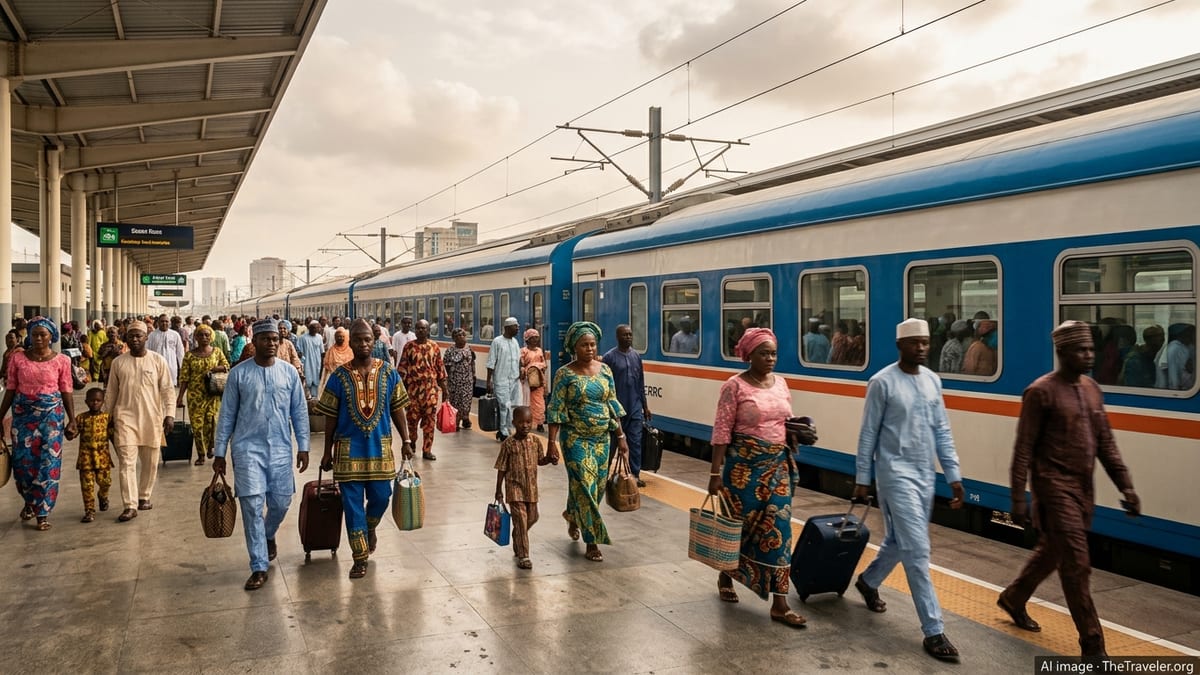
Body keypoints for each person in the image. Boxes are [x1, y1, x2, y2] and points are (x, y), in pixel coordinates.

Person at [999, 320, 1140, 658]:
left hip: (1082, 488)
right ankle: (1093, 645)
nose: (1089, 355)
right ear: (1062, 352)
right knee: (1077, 563)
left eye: (1091, 349)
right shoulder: (1040, 392)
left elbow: (1106, 442)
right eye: (1081, 349)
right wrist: (1018, 497)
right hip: (1053, 489)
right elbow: (1023, 449)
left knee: (1053, 551)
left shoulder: (1092, 389)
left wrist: (1126, 485)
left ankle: (1014, 597)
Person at [852, 318, 965, 662]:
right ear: (900, 345)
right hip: (894, 474)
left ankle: (869, 582)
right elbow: (868, 433)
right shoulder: (882, 382)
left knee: (898, 542)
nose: (922, 348)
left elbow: (942, 430)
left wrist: (954, 475)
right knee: (917, 549)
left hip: (924, 474)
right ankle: (933, 630)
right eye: (915, 343)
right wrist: (861, 477)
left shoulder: (933, 381)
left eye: (926, 343)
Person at [707, 327, 815, 628]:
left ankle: (781, 603)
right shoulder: (734, 387)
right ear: (749, 355)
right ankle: (726, 574)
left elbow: (784, 419)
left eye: (773, 353)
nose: (770, 358)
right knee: (739, 529)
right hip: (743, 470)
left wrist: (797, 432)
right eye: (764, 353)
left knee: (779, 531)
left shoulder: (781, 383)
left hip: (777, 466)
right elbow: (721, 431)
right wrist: (715, 473)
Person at [213, 318, 311, 591]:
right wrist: (219, 452)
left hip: (280, 448)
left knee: (281, 502)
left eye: (275, 340)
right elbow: (227, 416)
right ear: (253, 342)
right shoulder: (238, 374)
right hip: (246, 449)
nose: (271, 344)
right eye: (265, 339)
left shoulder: (289, 373)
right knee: (252, 506)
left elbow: (299, 412)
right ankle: (258, 566)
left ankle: (268, 534)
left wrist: (303, 446)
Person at [315, 319, 414, 579]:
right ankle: (359, 559)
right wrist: (327, 451)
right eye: (358, 339)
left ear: (375, 340)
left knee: (382, 497)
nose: (363, 344)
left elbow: (397, 409)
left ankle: (371, 527)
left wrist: (405, 440)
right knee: (352, 507)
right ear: (351, 342)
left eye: (368, 339)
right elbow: (330, 417)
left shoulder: (389, 373)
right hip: (348, 453)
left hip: (381, 451)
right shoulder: (339, 376)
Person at [544, 322, 629, 563]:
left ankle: (573, 515)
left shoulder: (605, 371)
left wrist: (621, 437)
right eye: (584, 345)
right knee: (584, 484)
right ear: (574, 347)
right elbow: (556, 410)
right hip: (575, 439)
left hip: (603, 439)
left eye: (592, 344)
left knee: (597, 487)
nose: (590, 349)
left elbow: (612, 404)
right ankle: (592, 541)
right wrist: (552, 443)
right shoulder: (564, 374)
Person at [0, 317, 78, 531]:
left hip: (51, 418)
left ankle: (42, 512)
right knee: (23, 464)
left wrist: (72, 419)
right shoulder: (18, 359)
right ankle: (28, 501)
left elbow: (66, 390)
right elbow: (11, 388)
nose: (38, 339)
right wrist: (0, 416)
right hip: (23, 416)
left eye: (43, 335)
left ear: (51, 336)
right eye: (34, 335)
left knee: (48, 464)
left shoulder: (62, 360)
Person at [103, 320, 176, 522]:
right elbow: (111, 393)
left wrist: (169, 414)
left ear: (146, 338)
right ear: (126, 338)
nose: (135, 339)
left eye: (139, 335)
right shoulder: (119, 362)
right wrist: (106, 418)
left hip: (152, 418)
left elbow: (168, 390)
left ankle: (144, 496)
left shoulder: (158, 361)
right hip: (124, 418)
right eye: (131, 335)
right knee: (126, 462)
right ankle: (130, 504)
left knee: (150, 462)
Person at [494, 406, 545, 570]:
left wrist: (550, 459)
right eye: (521, 422)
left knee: (532, 517)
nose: (525, 425)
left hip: (531, 489)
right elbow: (502, 468)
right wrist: (498, 489)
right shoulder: (508, 444)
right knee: (522, 522)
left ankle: (517, 534)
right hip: (514, 489)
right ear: (514, 422)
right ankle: (524, 555)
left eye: (528, 422)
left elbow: (541, 460)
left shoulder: (536, 441)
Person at [602, 324, 651, 486]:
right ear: (617, 337)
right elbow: (605, 386)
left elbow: (640, 382)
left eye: (630, 334)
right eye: (625, 335)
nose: (628, 337)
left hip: (635, 406)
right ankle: (604, 475)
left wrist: (645, 406)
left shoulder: (636, 356)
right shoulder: (609, 358)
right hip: (616, 409)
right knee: (613, 444)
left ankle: (634, 475)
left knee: (635, 442)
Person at [176, 324, 230, 465]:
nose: (204, 337)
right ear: (196, 337)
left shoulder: (217, 352)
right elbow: (184, 378)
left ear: (211, 336)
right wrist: (180, 397)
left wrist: (213, 369)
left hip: (212, 394)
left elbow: (226, 366)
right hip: (195, 396)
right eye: (201, 335)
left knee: (212, 422)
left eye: (207, 335)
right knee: (197, 425)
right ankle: (200, 453)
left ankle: (211, 447)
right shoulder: (189, 356)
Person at [398, 319, 447, 461]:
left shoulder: (434, 347)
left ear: (428, 330)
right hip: (413, 393)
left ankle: (427, 450)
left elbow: (440, 369)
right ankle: (412, 442)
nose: (421, 330)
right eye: (418, 328)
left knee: (430, 423)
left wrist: (445, 390)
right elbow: (402, 369)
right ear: (415, 330)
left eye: (423, 328)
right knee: (412, 422)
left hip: (430, 393)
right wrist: (401, 390)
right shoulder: (409, 347)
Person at [74, 387, 113, 523]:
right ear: (86, 402)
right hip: (86, 459)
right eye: (92, 401)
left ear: (102, 402)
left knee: (105, 482)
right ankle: (89, 510)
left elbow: (114, 436)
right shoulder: (81, 418)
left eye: (98, 401)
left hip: (103, 458)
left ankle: (103, 496)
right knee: (87, 486)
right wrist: (68, 430)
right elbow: (72, 434)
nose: (95, 403)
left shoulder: (107, 418)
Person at [487, 317, 522, 441]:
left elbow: (519, 360)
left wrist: (521, 371)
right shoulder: (497, 342)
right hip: (501, 379)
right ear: (507, 328)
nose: (518, 328)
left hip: (514, 379)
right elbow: (491, 363)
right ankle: (503, 431)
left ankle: (507, 428)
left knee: (511, 405)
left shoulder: (515, 342)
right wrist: (489, 381)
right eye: (515, 326)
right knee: (503, 406)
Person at [443, 328, 476, 430]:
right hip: (455, 381)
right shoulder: (450, 351)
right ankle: (456, 422)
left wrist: (474, 374)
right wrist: (449, 379)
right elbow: (446, 366)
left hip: (467, 380)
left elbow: (472, 363)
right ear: (454, 338)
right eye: (458, 336)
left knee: (466, 401)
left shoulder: (469, 349)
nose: (461, 337)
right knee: (455, 402)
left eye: (463, 335)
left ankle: (465, 418)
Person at [520, 328, 549, 432]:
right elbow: (521, 365)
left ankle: (540, 423)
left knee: (539, 403)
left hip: (539, 381)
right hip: (528, 382)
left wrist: (538, 367)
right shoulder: (523, 351)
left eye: (537, 337)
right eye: (533, 338)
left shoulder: (540, 351)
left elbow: (544, 364)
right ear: (528, 339)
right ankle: (528, 422)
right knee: (527, 402)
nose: (536, 340)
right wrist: (527, 370)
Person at [146, 314, 186, 387]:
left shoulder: (175, 335)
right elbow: (147, 351)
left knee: (170, 390)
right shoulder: (152, 335)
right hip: (156, 367)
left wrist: (182, 368)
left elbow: (180, 352)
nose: (164, 323)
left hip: (171, 367)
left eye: (166, 321)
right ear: (158, 323)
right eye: (162, 321)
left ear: (169, 322)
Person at [1156, 323, 1196, 390]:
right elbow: (1173, 376)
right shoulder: (1175, 348)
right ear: (1182, 334)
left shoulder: (1187, 347)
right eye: (1190, 334)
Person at [296, 320, 325, 399]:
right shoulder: (302, 338)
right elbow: (299, 352)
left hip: (317, 363)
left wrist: (322, 365)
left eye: (317, 328)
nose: (315, 329)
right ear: (309, 328)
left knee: (316, 383)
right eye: (313, 328)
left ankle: (315, 400)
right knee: (307, 382)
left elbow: (322, 352)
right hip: (307, 363)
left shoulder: (319, 337)